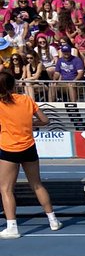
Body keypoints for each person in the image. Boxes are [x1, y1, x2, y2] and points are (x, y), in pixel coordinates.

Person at [0, 69, 61, 238]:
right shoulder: (26, 100)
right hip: (28, 147)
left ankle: (12, 226)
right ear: (14, 84)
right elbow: (45, 120)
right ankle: (53, 220)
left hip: (9, 149)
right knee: (37, 184)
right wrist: (29, 123)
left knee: (6, 189)